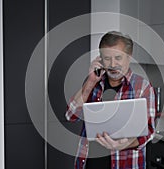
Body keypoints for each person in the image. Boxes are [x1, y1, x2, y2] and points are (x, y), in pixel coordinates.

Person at [65, 31, 156, 169]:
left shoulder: (143, 87)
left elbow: (149, 131)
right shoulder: (93, 83)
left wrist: (125, 144)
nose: (113, 64)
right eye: (107, 58)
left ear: (129, 57)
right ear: (100, 59)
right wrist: (90, 81)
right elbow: (71, 115)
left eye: (118, 57)